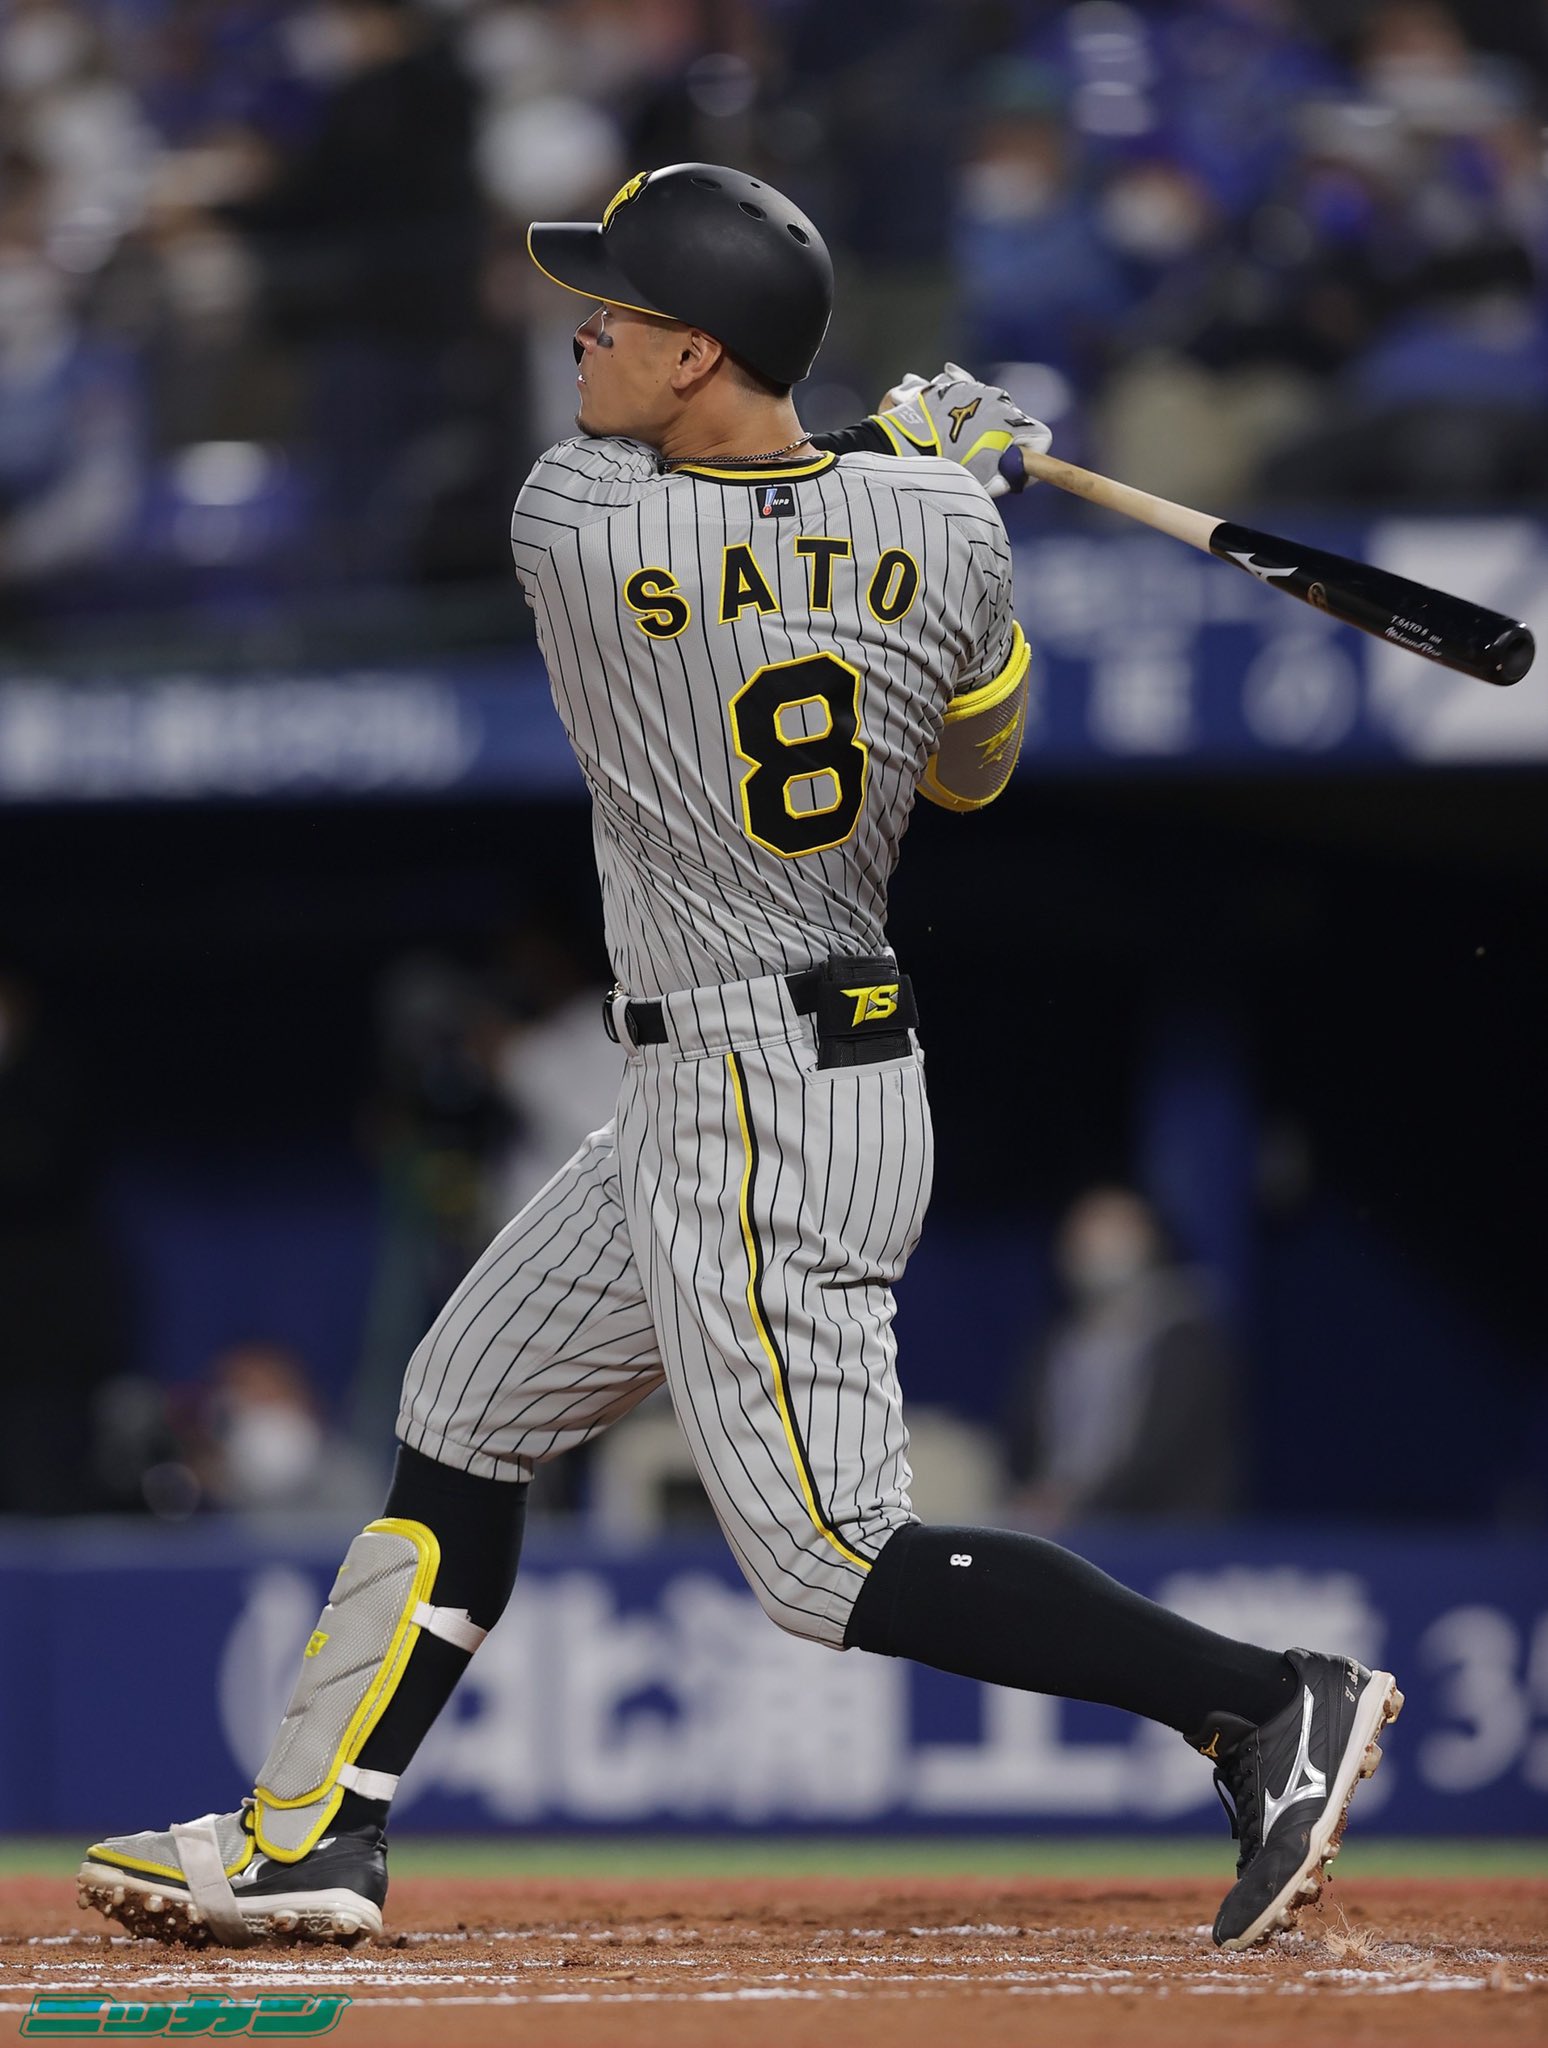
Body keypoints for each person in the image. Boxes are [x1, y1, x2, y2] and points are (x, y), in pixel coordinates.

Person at [79, 162, 1399, 1958]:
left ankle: (1258, 1701)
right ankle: (312, 1831)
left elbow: (749, 514)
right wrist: (929, 479)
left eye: (614, 314)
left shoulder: (572, 516)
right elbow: (973, 767)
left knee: (825, 1557)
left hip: (762, 1097)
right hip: (759, 1072)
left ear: (697, 349)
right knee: (466, 1404)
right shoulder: (945, 528)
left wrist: (888, 453)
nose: (582, 336)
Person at [1007, 1187, 1240, 1526]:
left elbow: (1161, 1449)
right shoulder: (1058, 1342)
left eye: (1111, 1229)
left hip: (1161, 1532)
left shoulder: (1186, 1337)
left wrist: (1077, 1504)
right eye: (1082, 1234)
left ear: (1148, 1239)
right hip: (1061, 1529)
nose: (1094, 1245)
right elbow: (1026, 1441)